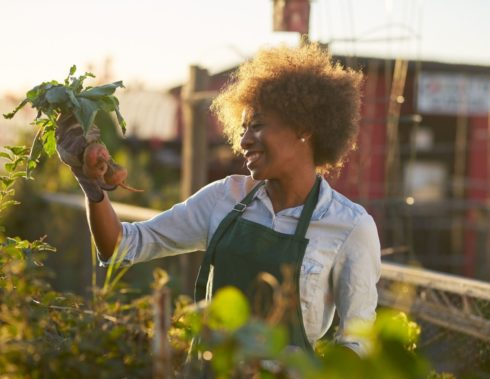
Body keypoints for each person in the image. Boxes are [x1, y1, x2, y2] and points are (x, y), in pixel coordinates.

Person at [56, 43, 381, 356]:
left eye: (257, 125)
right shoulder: (224, 198)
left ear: (303, 128)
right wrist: (90, 184)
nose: (243, 141)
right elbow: (121, 246)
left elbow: (357, 345)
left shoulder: (351, 227)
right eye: (241, 129)